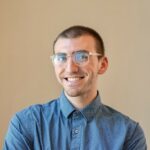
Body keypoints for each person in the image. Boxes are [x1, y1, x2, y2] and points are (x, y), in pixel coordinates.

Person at [3, 25, 147, 150]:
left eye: (82, 56)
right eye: (61, 57)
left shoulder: (129, 133)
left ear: (102, 65)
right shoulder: (26, 124)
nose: (71, 68)